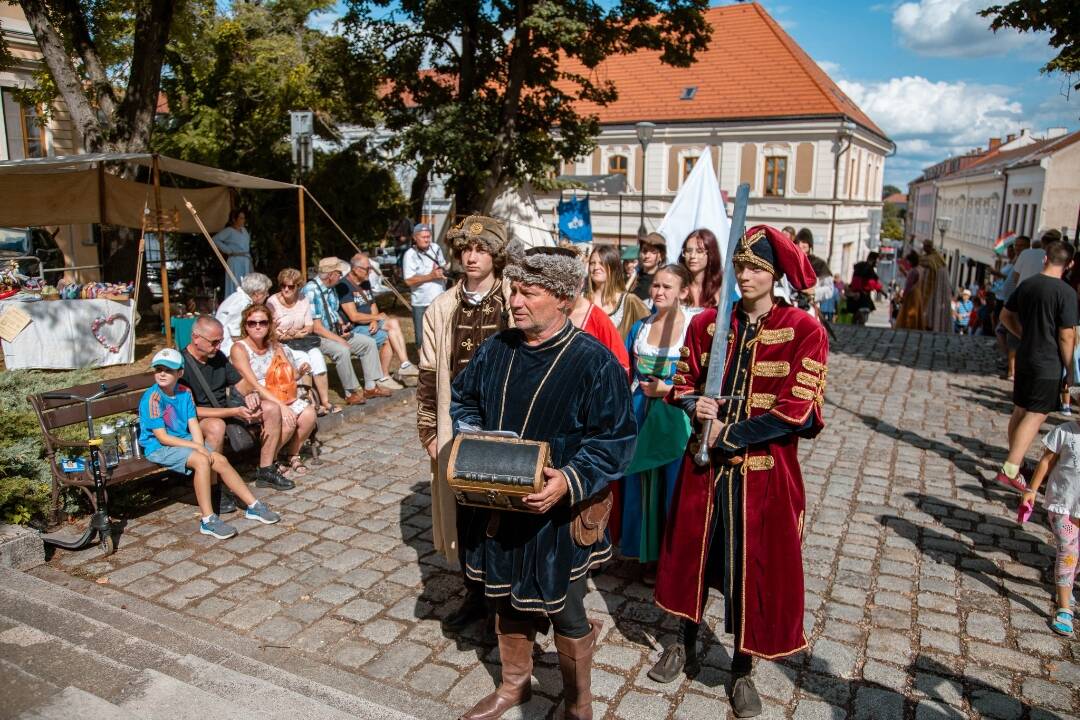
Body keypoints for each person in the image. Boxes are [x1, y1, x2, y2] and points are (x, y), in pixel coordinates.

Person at [451, 246, 636, 720]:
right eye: (514, 290)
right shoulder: (497, 349)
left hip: (560, 513)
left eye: (528, 293)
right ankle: (515, 686)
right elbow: (464, 399)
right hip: (501, 504)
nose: (515, 301)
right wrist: (475, 439)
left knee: (565, 610)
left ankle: (579, 704)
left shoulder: (596, 363)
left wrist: (569, 480)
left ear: (564, 299)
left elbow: (615, 441)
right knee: (506, 596)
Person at [651, 225, 827, 719]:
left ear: (774, 274)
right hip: (702, 468)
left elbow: (801, 410)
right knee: (691, 557)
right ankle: (680, 641)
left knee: (752, 569)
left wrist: (730, 434)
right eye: (740, 266)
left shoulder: (805, 330)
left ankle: (743, 669)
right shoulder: (706, 323)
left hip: (763, 474)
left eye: (756, 268)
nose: (745, 275)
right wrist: (693, 401)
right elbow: (681, 381)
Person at [415, 215, 516, 633]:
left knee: (505, 513)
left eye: (481, 250)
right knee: (466, 514)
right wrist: (428, 432)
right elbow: (425, 375)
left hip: (506, 427)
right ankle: (474, 596)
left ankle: (507, 605)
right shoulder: (442, 306)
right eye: (466, 250)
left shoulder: (515, 299)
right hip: (455, 427)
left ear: (496, 255)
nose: (472, 257)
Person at [139, 348, 280, 539]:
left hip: (183, 441)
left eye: (168, 370)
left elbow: (193, 423)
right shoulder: (152, 398)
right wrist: (198, 448)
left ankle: (253, 505)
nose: (162, 374)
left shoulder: (184, 392)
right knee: (202, 461)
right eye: (158, 369)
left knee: (218, 459)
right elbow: (162, 438)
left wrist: (200, 446)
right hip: (159, 447)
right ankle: (208, 519)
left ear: (180, 373)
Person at [620, 264, 693, 582]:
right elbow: (625, 372)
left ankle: (675, 558)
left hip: (677, 417)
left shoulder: (695, 327)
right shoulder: (639, 329)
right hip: (641, 414)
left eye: (668, 287)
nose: (659, 292)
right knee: (643, 484)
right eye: (656, 286)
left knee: (675, 486)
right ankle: (646, 555)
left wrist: (670, 389)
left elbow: (707, 379)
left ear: (684, 292)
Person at [180, 316, 295, 494]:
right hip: (198, 419)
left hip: (227, 410)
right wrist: (235, 410)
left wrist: (251, 395)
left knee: (271, 408)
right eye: (214, 342)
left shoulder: (217, 356)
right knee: (216, 426)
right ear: (196, 338)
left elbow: (242, 384)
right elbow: (191, 411)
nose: (218, 346)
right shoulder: (181, 365)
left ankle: (266, 470)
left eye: (220, 341)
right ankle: (214, 486)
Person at [997, 239, 1077, 492]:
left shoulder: (1028, 284)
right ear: (1070, 264)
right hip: (1048, 361)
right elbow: (1066, 335)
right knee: (1036, 414)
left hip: (1025, 356)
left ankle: (1015, 463)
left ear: (1045, 258)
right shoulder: (1066, 293)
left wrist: (1023, 334)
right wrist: (1071, 370)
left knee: (1020, 410)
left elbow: (1004, 315)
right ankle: (1010, 468)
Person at [230, 303, 318, 478]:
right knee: (285, 419)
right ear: (245, 325)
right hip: (253, 396)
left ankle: (293, 454)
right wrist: (282, 406)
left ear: (269, 324)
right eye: (252, 323)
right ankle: (269, 461)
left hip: (279, 392)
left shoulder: (274, 345)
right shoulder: (239, 348)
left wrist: (300, 371)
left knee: (308, 414)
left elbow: (289, 374)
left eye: (262, 322)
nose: (257, 326)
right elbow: (253, 384)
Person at [302, 257, 391, 405]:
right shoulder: (311, 290)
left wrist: (342, 326)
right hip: (317, 336)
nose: (341, 276)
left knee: (368, 343)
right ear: (330, 274)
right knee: (342, 350)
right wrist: (340, 339)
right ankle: (350, 392)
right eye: (339, 273)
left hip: (334, 332)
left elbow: (333, 313)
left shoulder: (331, 288)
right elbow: (316, 327)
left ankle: (371, 387)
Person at [1021, 420, 1080, 636]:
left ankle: (1068, 584)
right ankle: (1064, 607)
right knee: (1068, 551)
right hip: (1062, 504)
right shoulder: (1065, 431)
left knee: (1077, 554)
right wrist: (1031, 490)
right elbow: (1046, 461)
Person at [336, 252, 416, 388]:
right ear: (355, 269)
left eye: (371, 268)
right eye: (367, 269)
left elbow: (372, 304)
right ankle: (383, 377)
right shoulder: (344, 286)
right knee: (387, 337)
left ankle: (404, 363)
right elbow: (353, 316)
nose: (370, 272)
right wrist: (375, 317)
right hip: (354, 327)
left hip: (368, 322)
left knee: (394, 322)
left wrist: (374, 320)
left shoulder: (365, 282)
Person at [267, 267, 336, 416]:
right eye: (283, 285)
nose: (286, 289)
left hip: (301, 340)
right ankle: (310, 402)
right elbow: (271, 330)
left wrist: (297, 333)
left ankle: (325, 401)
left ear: (298, 286)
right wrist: (286, 335)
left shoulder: (303, 298)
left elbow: (309, 326)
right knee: (304, 359)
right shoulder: (272, 302)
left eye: (290, 286)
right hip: (283, 343)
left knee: (317, 357)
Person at [588, 244, 650, 339]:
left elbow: (649, 329)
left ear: (613, 267)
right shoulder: (581, 300)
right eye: (592, 263)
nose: (596, 267)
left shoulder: (629, 301)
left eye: (601, 263)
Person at [403, 223, 448, 352]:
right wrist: (431, 276)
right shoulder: (409, 255)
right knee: (421, 338)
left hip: (439, 300)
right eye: (423, 237)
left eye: (429, 236)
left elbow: (442, 267)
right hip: (421, 302)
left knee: (441, 335)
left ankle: (440, 364)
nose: (427, 239)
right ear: (415, 238)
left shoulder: (436, 248)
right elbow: (408, 280)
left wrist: (442, 272)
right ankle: (423, 367)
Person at [215, 272, 271, 356]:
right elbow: (236, 336)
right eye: (266, 292)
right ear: (257, 294)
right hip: (228, 351)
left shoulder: (237, 297)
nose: (267, 295)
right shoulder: (242, 303)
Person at [679, 228, 723, 313]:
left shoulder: (723, 289)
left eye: (699, 251)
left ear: (711, 254)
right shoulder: (676, 285)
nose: (692, 256)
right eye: (688, 251)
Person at [213, 208, 252, 298]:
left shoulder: (244, 231)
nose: (243, 220)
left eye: (244, 218)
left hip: (245, 260)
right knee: (235, 283)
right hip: (235, 260)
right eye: (241, 218)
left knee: (245, 284)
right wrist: (228, 250)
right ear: (235, 219)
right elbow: (215, 239)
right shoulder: (229, 230)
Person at [794, 229, 834, 317]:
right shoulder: (790, 262)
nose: (800, 245)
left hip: (810, 307)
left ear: (809, 245)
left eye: (804, 242)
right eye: (798, 242)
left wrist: (813, 292)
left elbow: (829, 289)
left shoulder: (819, 264)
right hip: (791, 306)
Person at [918, 240, 953, 332]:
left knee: (933, 303)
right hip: (933, 286)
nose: (923, 248)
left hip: (935, 286)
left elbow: (923, 261)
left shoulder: (933, 258)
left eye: (925, 246)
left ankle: (931, 323)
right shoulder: (933, 257)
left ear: (929, 247)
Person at [632, 232, 668, 302]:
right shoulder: (634, 276)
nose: (647, 256)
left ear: (661, 256)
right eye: (644, 251)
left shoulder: (663, 280)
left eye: (653, 251)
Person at [848, 252, 881, 325]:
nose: (878, 262)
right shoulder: (868, 269)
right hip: (863, 297)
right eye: (877, 260)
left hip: (856, 295)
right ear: (873, 259)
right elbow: (871, 283)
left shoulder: (860, 266)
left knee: (855, 319)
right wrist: (880, 289)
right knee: (862, 318)